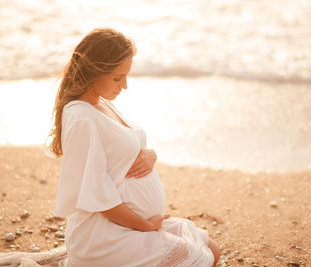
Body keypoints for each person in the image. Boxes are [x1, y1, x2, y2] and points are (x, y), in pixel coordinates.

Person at [48, 27, 221, 267]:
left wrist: (152, 155)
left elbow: (128, 144)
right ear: (93, 72)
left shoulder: (102, 103)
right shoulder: (81, 117)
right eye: (117, 78)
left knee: (212, 250)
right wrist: (145, 226)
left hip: (132, 224)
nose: (125, 86)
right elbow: (97, 196)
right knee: (199, 259)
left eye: (126, 76)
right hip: (105, 234)